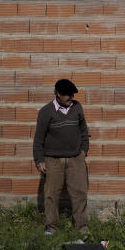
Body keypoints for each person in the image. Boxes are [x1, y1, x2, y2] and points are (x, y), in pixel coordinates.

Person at [33, 78, 90, 235]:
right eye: (67, 95)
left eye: (72, 94)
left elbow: (84, 132)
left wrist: (83, 151)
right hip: (53, 160)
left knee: (80, 193)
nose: (71, 97)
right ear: (58, 94)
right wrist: (39, 160)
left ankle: (82, 227)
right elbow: (38, 139)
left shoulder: (77, 108)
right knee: (51, 195)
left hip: (75, 158)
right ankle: (52, 227)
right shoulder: (46, 112)